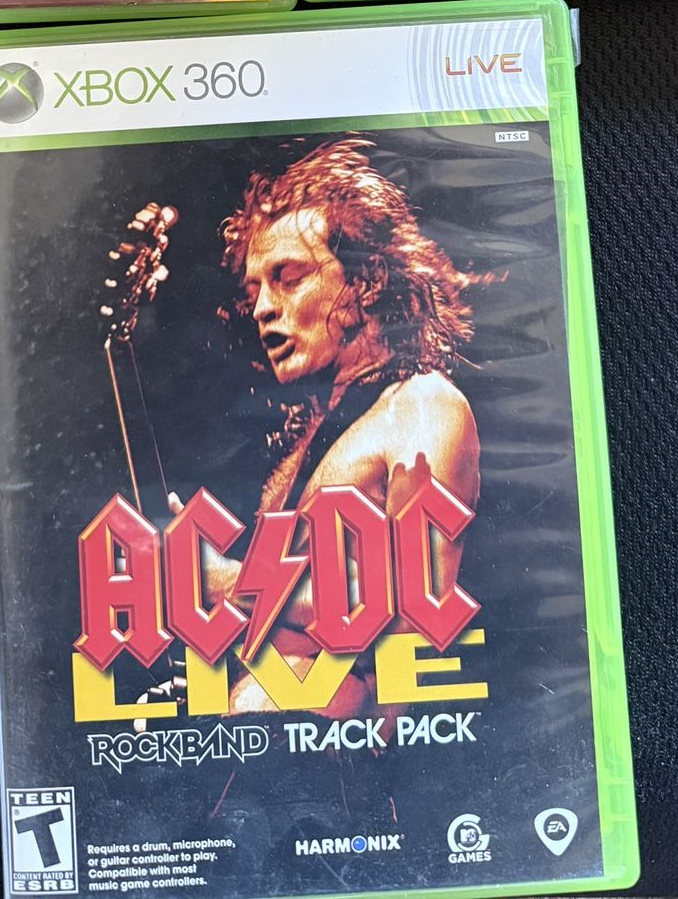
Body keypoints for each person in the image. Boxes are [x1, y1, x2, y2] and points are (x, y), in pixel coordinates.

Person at [206, 137, 482, 713]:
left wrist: (226, 581)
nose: (263, 308)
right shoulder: (306, 444)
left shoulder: (423, 406)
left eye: (288, 277)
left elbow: (419, 615)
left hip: (369, 762)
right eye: (255, 290)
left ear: (367, 281)